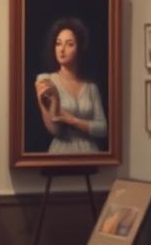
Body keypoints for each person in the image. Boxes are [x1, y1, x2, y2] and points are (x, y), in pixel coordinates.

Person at [33, 17, 107, 153]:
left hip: (90, 152)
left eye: (69, 44)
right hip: (61, 151)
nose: (62, 49)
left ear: (80, 48)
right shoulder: (48, 81)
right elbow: (55, 130)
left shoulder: (91, 87)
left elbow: (103, 129)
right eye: (58, 43)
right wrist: (43, 102)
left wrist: (72, 120)